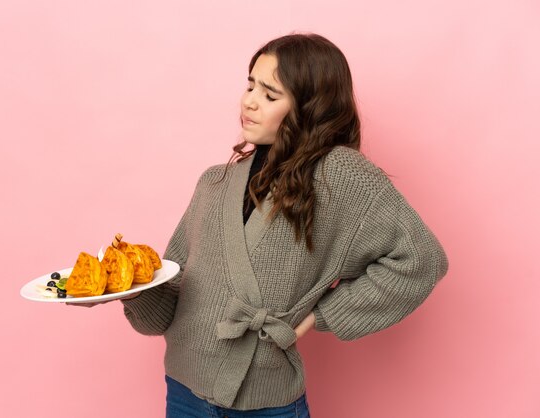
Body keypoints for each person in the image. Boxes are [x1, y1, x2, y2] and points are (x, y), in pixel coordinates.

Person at [120, 32, 449, 417]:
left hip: (267, 402)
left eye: (270, 95)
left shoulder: (340, 176)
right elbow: (167, 308)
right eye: (250, 85)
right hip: (183, 391)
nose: (249, 102)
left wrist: (319, 316)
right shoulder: (214, 183)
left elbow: (422, 259)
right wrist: (132, 288)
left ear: (308, 108)